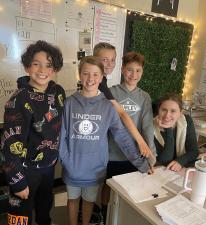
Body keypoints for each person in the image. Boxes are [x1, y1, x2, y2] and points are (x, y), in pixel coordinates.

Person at [58, 56, 151, 225]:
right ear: (79, 75)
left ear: (101, 78)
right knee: (72, 200)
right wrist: (65, 160)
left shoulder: (108, 106)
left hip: (95, 169)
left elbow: (122, 136)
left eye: (95, 75)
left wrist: (142, 164)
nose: (90, 79)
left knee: (88, 202)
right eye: (86, 73)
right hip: (72, 167)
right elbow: (61, 136)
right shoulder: (70, 103)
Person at [1, 40, 65, 225]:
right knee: (21, 214)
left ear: (55, 70)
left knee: (45, 208)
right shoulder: (19, 100)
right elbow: (9, 143)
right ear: (27, 66)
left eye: (49, 65)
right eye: (36, 64)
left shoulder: (58, 92)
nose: (42, 70)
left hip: (48, 167)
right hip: (25, 170)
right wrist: (17, 180)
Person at [93, 42, 154, 159]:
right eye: (104, 59)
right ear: (122, 70)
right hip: (110, 153)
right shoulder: (105, 89)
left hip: (135, 154)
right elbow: (120, 114)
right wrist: (142, 143)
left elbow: (147, 127)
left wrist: (149, 151)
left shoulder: (145, 97)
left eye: (112, 60)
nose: (134, 74)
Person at [153, 93, 199, 172]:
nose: (167, 115)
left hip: (182, 168)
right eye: (164, 110)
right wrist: (168, 129)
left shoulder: (186, 121)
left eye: (173, 111)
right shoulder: (151, 126)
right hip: (163, 170)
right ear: (158, 110)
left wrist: (180, 161)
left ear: (180, 113)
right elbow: (165, 160)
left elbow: (194, 151)